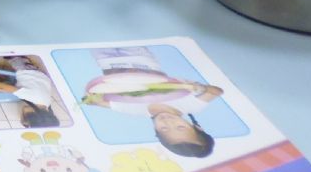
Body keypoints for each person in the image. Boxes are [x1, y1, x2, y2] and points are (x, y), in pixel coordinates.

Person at [81, 46, 222, 158]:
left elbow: (100, 102)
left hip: (108, 64)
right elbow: (216, 92)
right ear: (197, 127)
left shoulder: (136, 110)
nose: (168, 122)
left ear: (156, 131)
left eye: (164, 129)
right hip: (141, 59)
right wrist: (198, 87)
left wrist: (91, 100)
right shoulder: (191, 106)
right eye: (180, 127)